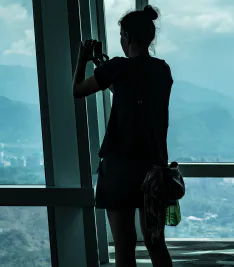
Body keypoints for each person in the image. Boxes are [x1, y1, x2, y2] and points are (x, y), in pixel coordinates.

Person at [72, 5, 173, 267]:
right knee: (156, 244)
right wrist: (107, 70)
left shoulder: (116, 67)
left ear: (126, 36)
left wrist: (84, 58)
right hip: (153, 167)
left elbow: (78, 90)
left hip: (119, 167)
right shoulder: (162, 70)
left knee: (124, 248)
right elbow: (132, 93)